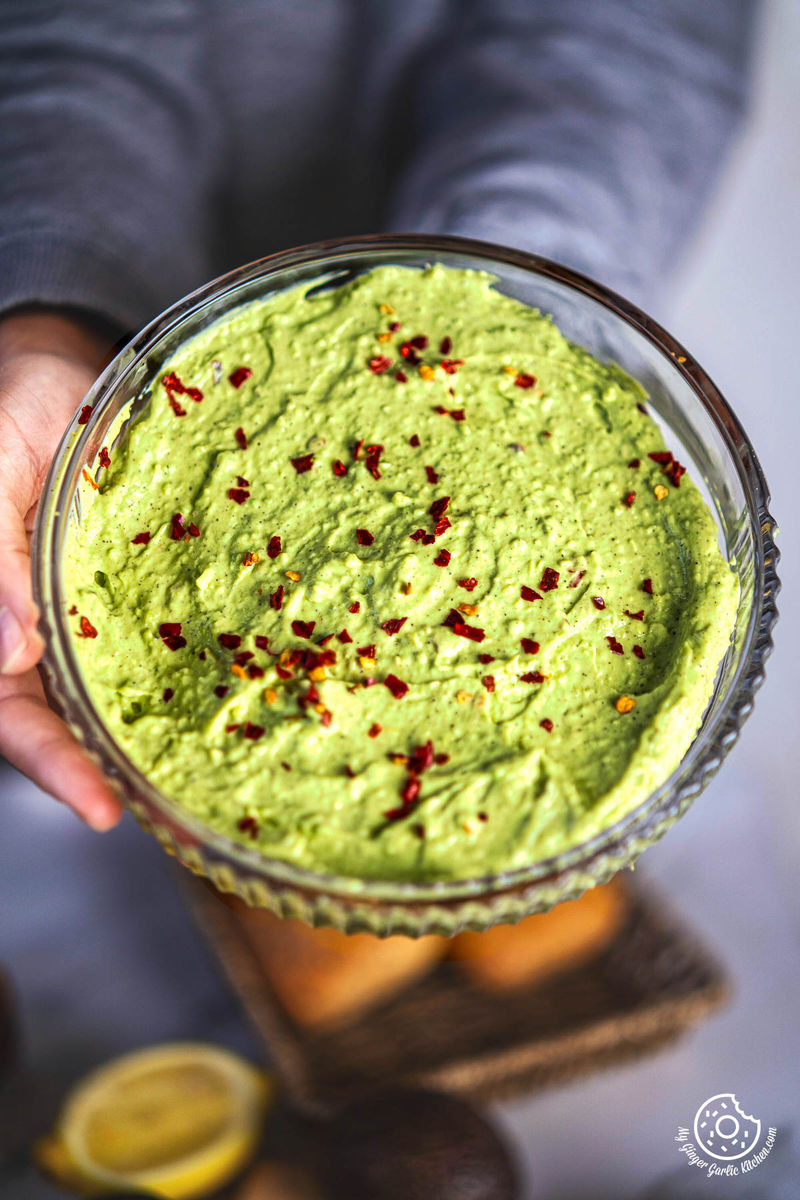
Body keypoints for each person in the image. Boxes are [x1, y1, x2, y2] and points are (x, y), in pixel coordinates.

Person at [0, 0, 755, 830]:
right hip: (108, 350)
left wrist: (512, 317)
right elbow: (61, 33)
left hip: (506, 311)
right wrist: (56, 315)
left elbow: (637, 38)